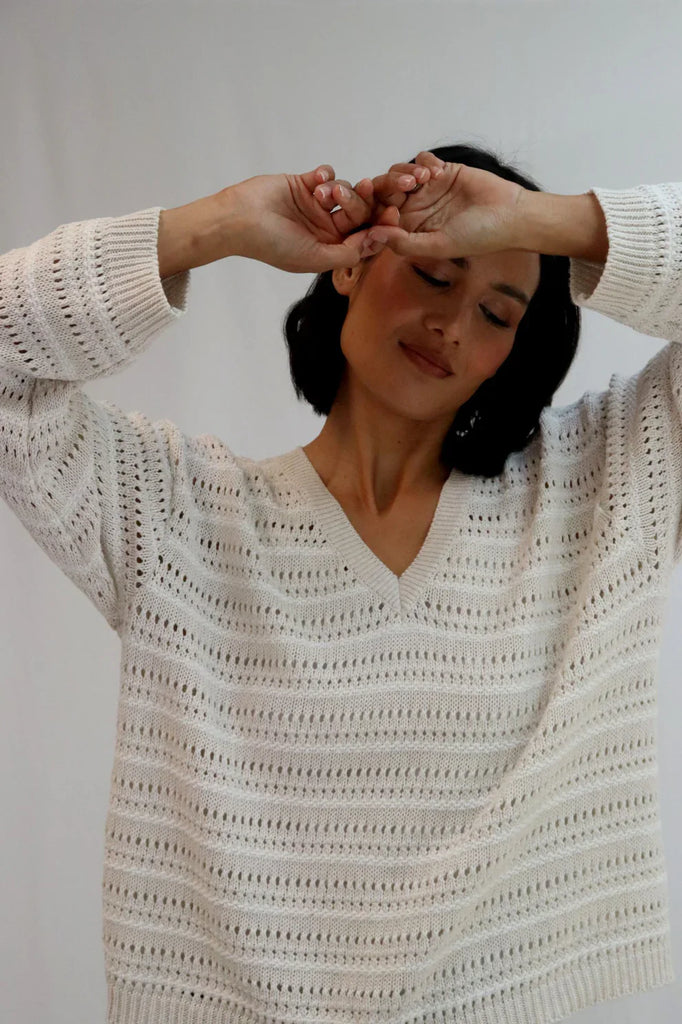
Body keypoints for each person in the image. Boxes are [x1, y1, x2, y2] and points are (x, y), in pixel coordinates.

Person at [0, 143, 679, 1024]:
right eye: (436, 274)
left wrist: (539, 222)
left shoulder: (597, 491)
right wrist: (215, 227)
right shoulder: (173, 515)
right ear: (353, 268)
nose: (453, 327)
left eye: (499, 314)